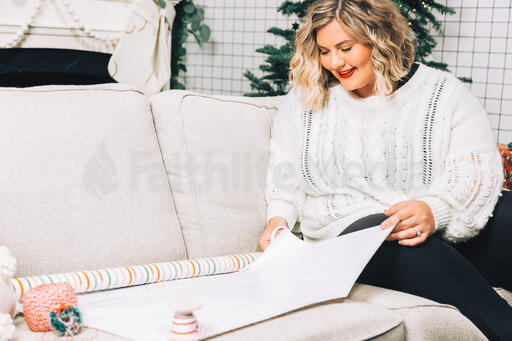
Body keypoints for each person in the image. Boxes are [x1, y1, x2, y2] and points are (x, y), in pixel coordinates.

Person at [258, 0, 512, 340]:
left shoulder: (443, 92)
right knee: (387, 227)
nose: (335, 62)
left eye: (345, 48)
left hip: (433, 227)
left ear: (379, 38)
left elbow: (475, 170)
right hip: (355, 236)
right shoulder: (306, 99)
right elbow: (284, 172)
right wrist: (279, 220)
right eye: (324, 51)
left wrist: (433, 210)